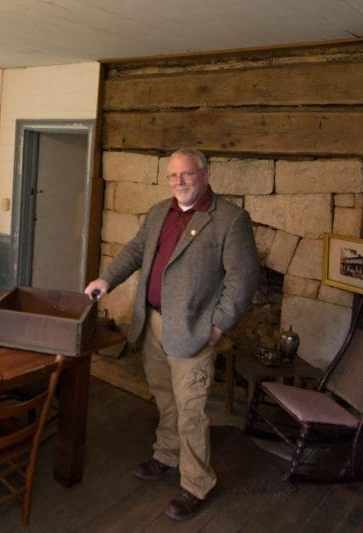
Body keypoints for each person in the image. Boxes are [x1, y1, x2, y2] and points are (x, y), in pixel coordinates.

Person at [84, 147, 259, 521]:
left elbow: (243, 281)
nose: (178, 181)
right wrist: (107, 278)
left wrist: (217, 326)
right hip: (153, 324)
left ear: (205, 174)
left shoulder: (230, 219)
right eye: (172, 175)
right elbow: (135, 250)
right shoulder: (159, 211)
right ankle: (166, 454)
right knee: (164, 396)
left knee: (191, 410)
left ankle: (197, 483)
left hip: (194, 331)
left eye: (187, 174)